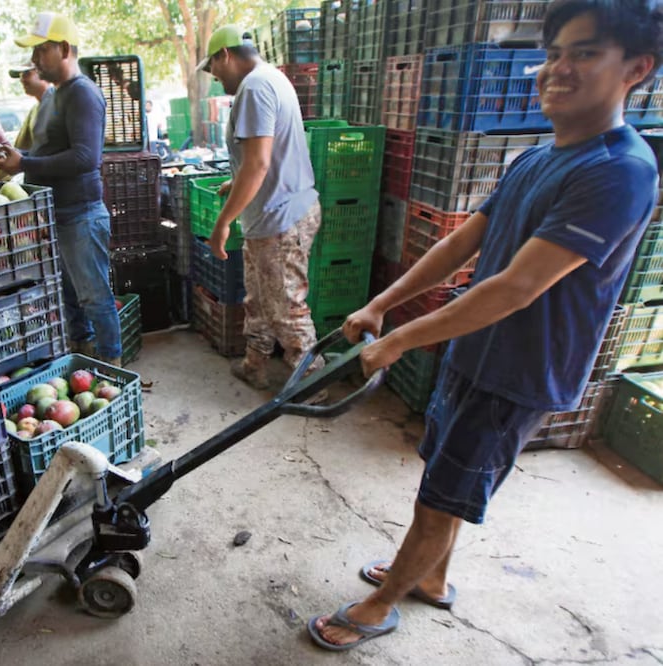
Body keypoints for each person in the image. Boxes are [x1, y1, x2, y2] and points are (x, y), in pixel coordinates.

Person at [309, 0, 662, 650]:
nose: (558, 68)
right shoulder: (538, 157)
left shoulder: (620, 171)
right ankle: (432, 577)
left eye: (584, 53)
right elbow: (461, 246)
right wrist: (382, 303)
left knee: (443, 495)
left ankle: (383, 604)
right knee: (443, 475)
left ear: (636, 69)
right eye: (554, 53)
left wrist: (399, 341)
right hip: (475, 350)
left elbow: (517, 287)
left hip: (520, 371)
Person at [0, 12, 123, 366]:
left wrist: (25, 164)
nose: (35, 60)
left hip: (81, 214)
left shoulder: (83, 94)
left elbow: (85, 157)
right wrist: (16, 157)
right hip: (57, 214)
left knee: (94, 296)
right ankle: (83, 349)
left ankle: (112, 365)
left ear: (64, 49)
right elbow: (48, 151)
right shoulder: (53, 97)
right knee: (69, 294)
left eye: (41, 50)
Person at [200, 26, 322, 391]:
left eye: (213, 68)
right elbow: (262, 158)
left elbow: (258, 163)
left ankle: (313, 385)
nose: (214, 76)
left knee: (286, 306)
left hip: (281, 220)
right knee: (259, 298)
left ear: (225, 55)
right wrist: (234, 184)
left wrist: (223, 222)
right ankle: (255, 364)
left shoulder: (254, 87)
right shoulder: (272, 79)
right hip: (271, 216)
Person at [8, 61, 54, 152]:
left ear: (42, 73)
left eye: (26, 74)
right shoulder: (34, 110)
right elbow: (23, 148)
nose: (21, 80)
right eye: (20, 75)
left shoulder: (58, 104)